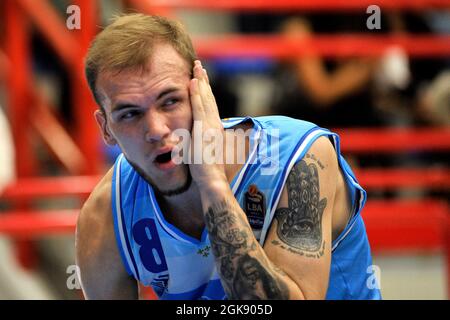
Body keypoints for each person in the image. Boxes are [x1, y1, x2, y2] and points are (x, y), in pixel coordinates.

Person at [76, 13, 381, 300]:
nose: (155, 129)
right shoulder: (105, 216)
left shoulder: (299, 160)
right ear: (106, 129)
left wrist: (212, 183)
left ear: (203, 94)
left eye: (170, 102)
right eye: (130, 113)